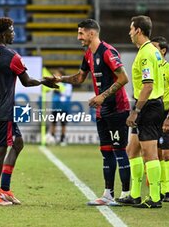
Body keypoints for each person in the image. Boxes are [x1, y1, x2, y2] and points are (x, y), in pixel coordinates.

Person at [45, 19, 131, 206]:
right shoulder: (88, 55)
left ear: (92, 33)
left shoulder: (108, 52)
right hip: (102, 110)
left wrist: (103, 96)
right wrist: (59, 79)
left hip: (118, 109)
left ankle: (126, 194)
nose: (78, 37)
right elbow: (79, 77)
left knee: (119, 150)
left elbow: (124, 78)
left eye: (81, 33)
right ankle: (108, 194)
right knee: (106, 151)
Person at [0, 17, 58, 206]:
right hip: (4, 110)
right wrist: (44, 82)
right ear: (4, 33)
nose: (14, 34)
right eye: (12, 31)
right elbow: (27, 81)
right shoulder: (11, 56)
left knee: (18, 143)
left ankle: (4, 190)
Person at [116, 15, 164, 208]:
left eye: (130, 28)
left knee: (149, 153)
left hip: (148, 105)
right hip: (149, 104)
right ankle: (134, 195)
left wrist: (136, 111)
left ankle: (155, 198)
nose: (129, 32)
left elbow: (148, 86)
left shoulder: (145, 54)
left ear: (138, 30)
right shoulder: (153, 50)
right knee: (132, 150)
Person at [151, 36, 169, 202]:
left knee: (168, 153)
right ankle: (159, 189)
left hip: (166, 113)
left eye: (155, 47)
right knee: (156, 153)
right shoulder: (150, 69)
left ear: (163, 50)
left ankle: (168, 191)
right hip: (151, 114)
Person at [50, 67, 73, 146]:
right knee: (53, 123)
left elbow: (67, 94)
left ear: (61, 75)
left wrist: (60, 89)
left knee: (63, 124)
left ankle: (62, 139)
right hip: (55, 106)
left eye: (57, 74)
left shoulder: (67, 84)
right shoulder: (55, 84)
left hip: (64, 107)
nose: (55, 75)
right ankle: (52, 138)